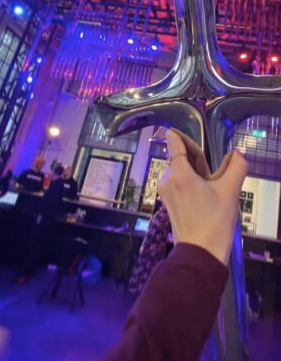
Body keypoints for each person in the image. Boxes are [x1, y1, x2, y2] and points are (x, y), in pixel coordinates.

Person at [103, 129, 248, 361]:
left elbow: (146, 348)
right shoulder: (163, 216)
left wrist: (195, 256)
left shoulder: (161, 216)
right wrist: (197, 257)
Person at [19, 165, 65, 283]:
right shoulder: (59, 185)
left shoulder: (55, 186)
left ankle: (27, 270)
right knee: (38, 244)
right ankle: (31, 269)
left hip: (44, 218)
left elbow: (49, 203)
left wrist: (41, 214)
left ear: (54, 173)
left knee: (34, 243)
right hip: (48, 219)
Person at [128, 198, 172, 295]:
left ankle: (139, 293)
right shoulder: (168, 214)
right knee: (150, 273)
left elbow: (152, 232)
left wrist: (144, 246)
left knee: (144, 271)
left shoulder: (161, 214)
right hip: (159, 249)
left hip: (151, 249)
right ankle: (146, 294)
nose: (159, 199)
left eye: (161, 198)